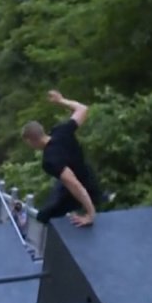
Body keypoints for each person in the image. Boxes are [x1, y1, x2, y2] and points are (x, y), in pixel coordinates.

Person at [21, 90, 103, 227]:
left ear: (30, 141)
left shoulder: (50, 160)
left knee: (45, 215)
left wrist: (90, 214)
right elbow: (82, 109)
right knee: (47, 208)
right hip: (85, 173)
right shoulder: (60, 130)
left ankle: (94, 202)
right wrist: (61, 100)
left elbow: (75, 184)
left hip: (85, 186)